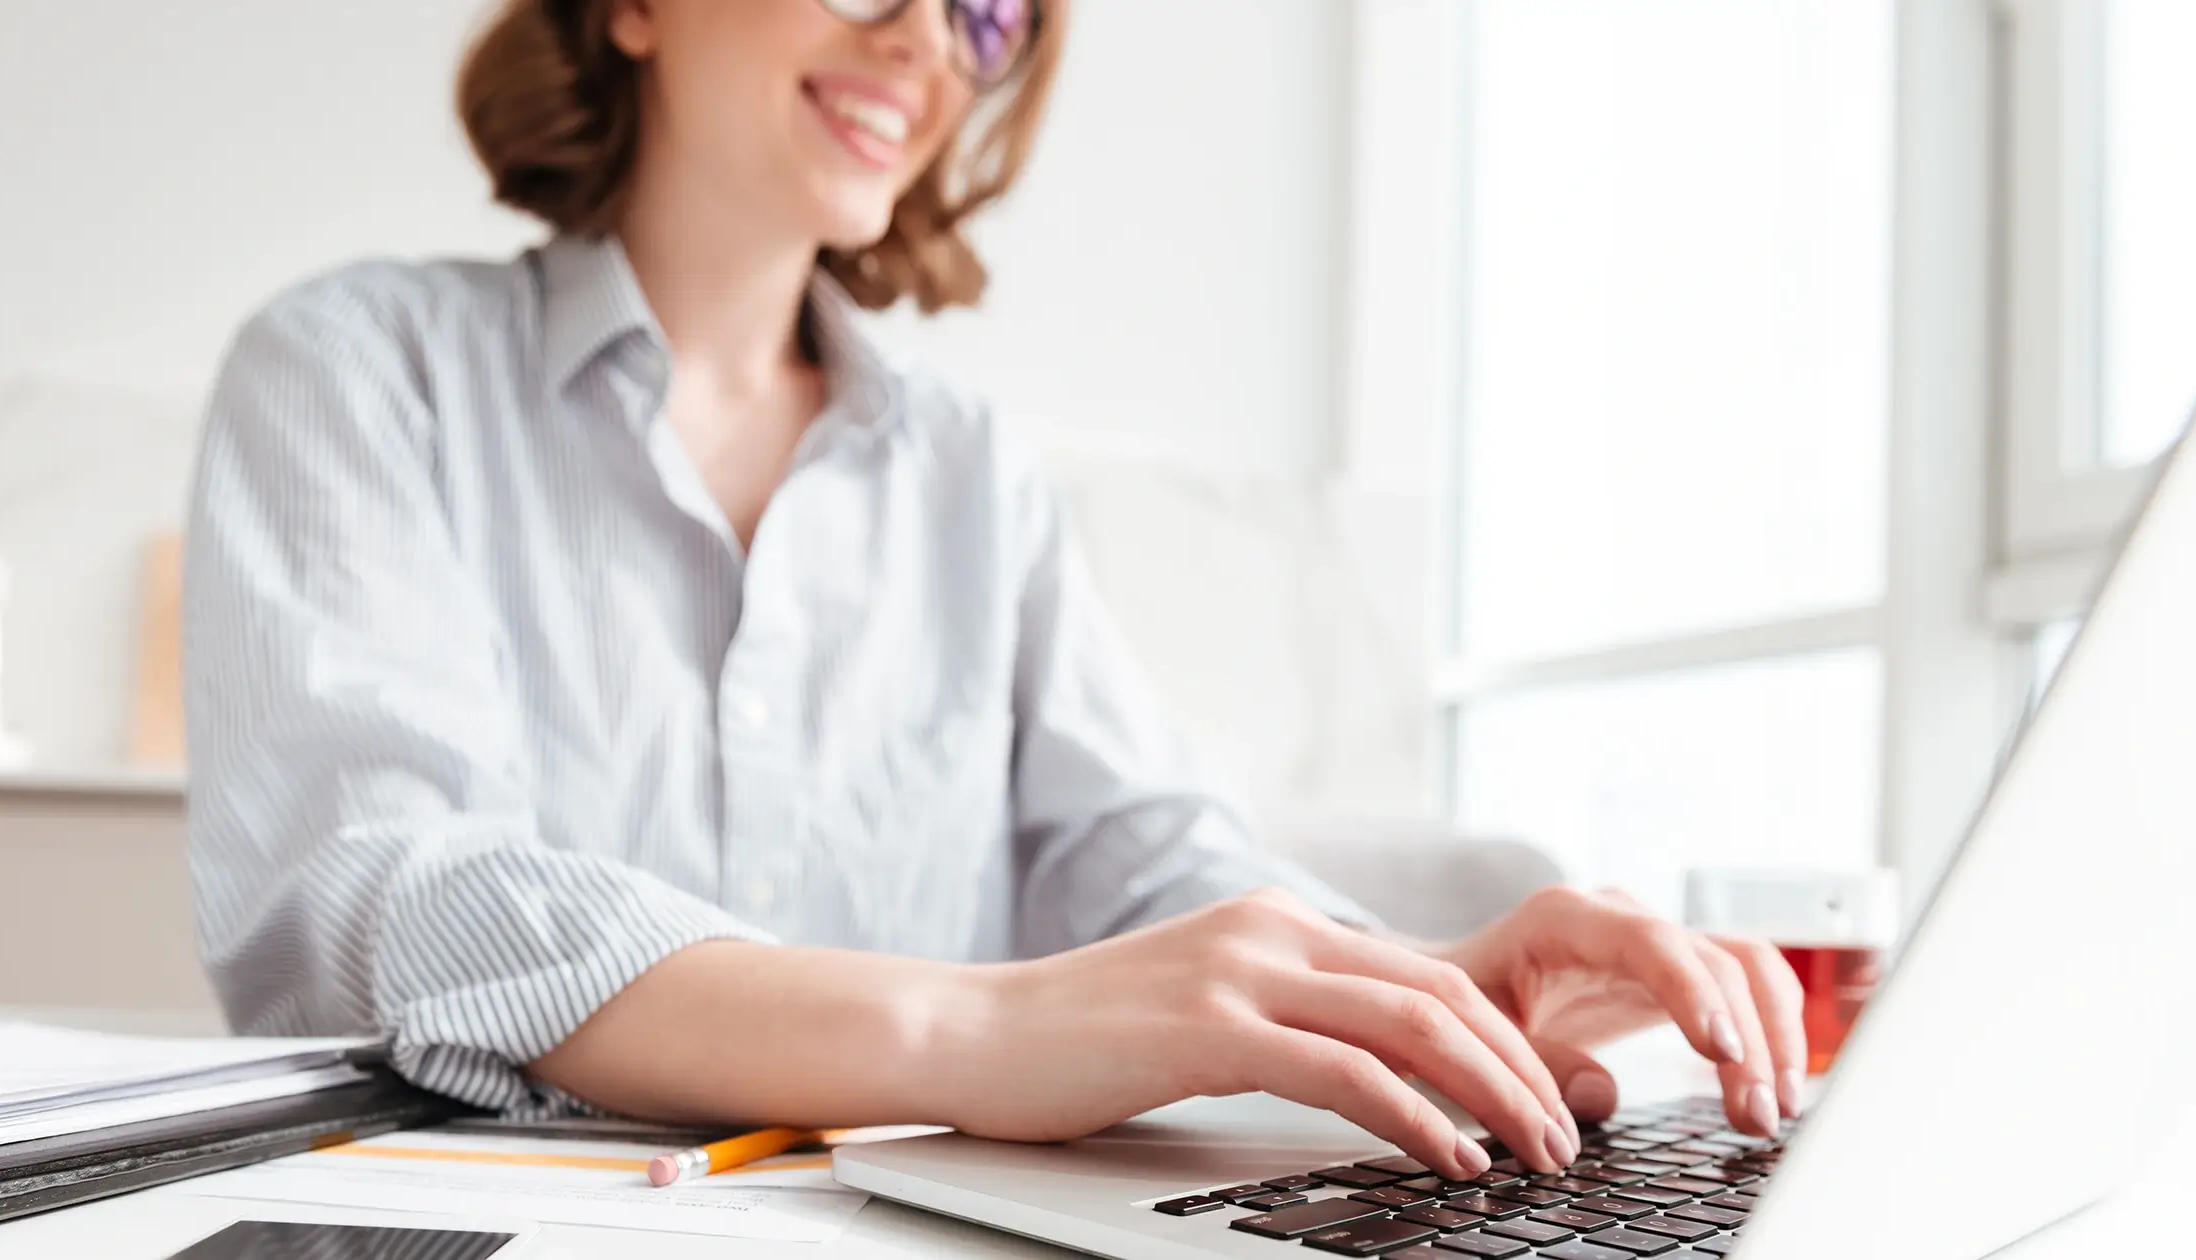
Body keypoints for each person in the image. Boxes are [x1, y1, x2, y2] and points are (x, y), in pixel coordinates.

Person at [185, 0, 1805, 1182]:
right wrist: (974, 1034)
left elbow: (1147, 856)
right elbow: (381, 893)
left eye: (983, 15)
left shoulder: (972, 475)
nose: (923, 45)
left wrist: (1415, 986)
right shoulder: (351, 372)